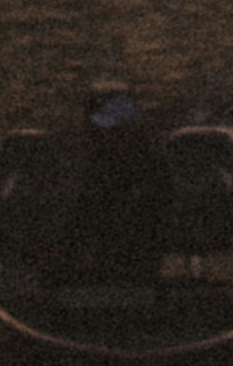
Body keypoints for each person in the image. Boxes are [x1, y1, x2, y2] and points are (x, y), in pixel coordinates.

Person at [66, 86, 169, 287]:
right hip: (104, 252)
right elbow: (82, 207)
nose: (107, 136)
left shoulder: (148, 163)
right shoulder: (92, 161)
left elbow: (159, 208)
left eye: (114, 130)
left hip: (138, 252)